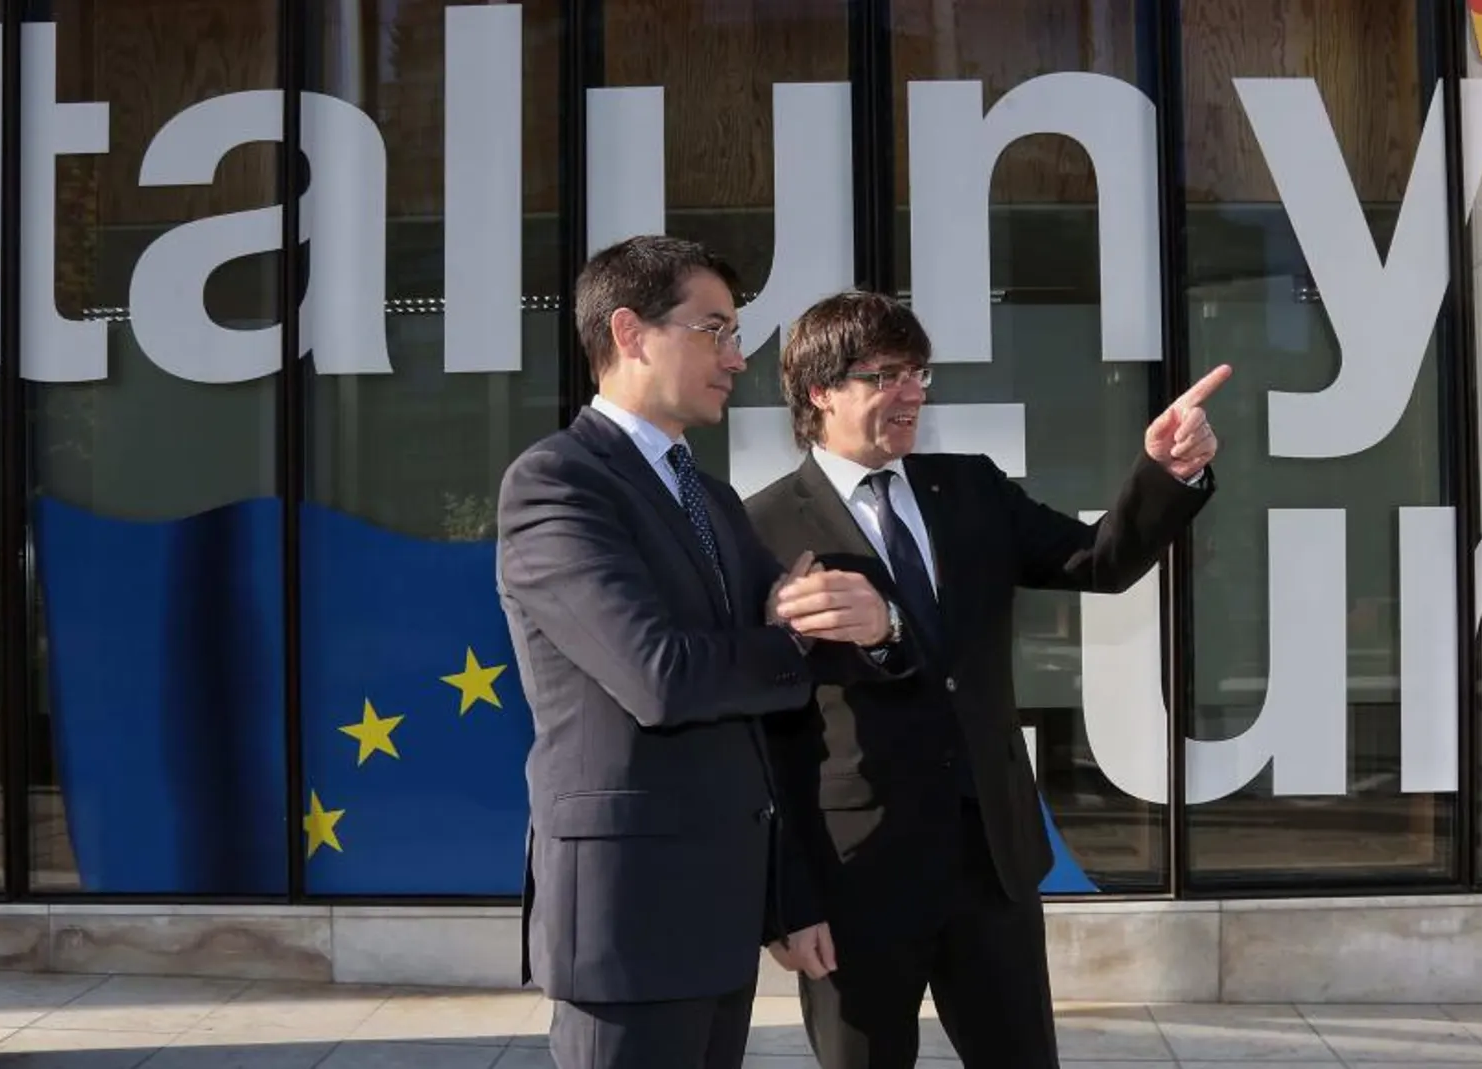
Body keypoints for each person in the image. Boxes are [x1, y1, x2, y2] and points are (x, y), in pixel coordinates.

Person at [746, 291, 1227, 1068]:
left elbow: (1098, 559)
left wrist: (1165, 473)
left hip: (990, 866)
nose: (913, 393)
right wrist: (787, 902)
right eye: (885, 375)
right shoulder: (760, 529)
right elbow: (765, 741)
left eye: (918, 372)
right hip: (856, 880)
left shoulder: (968, 488)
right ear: (819, 389)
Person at [495, 237, 911, 1069]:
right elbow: (663, 677)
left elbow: (768, 698)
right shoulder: (558, 483)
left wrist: (873, 625)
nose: (736, 356)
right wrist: (791, 634)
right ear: (630, 331)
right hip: (629, 919)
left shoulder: (707, 496)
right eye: (714, 329)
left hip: (718, 912)